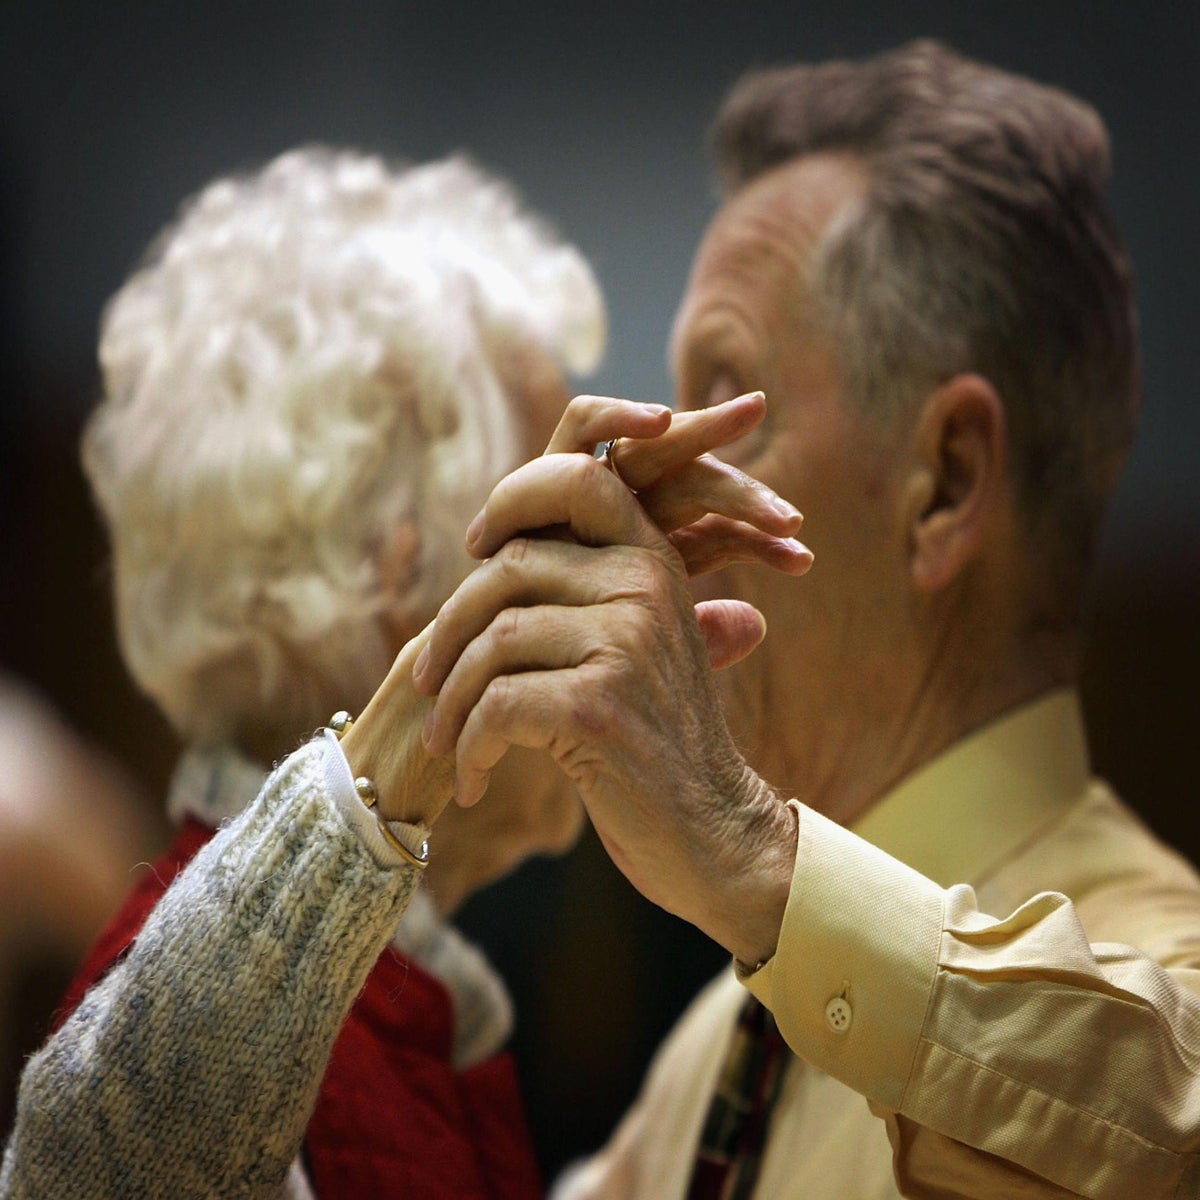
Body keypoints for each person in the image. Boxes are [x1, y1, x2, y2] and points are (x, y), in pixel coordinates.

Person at [413, 40, 1200, 1199]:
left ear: (943, 482)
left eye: (722, 412)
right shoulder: (722, 1045)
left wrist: (748, 857)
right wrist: (410, 840)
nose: (641, 501)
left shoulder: (1165, 965)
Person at [0, 147, 810, 1199]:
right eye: (559, 523)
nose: (618, 569)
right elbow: (90, 1167)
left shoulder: (424, 1007)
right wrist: (432, 699)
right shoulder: (195, 1021)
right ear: (401, 578)